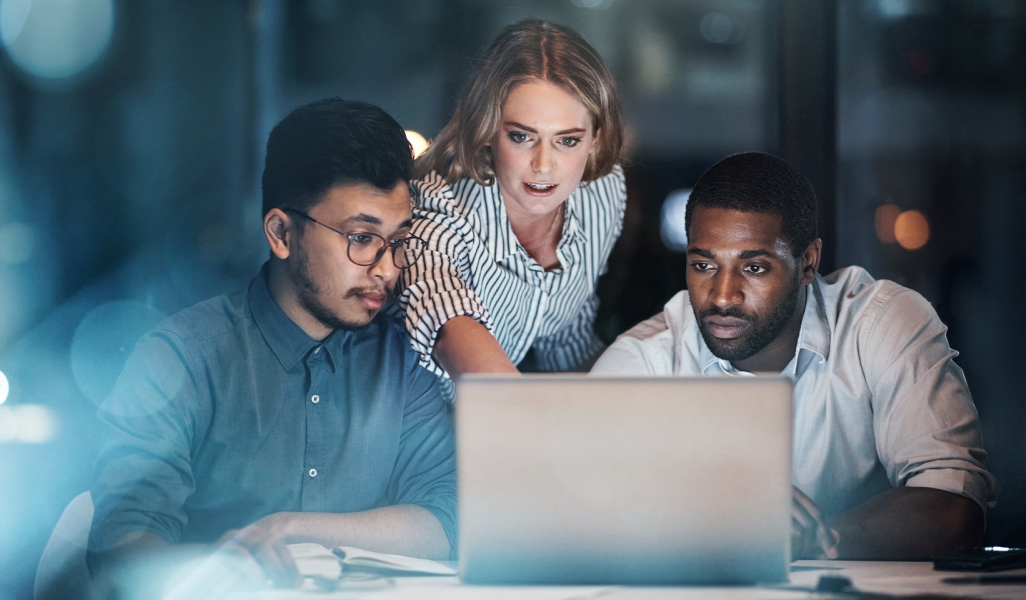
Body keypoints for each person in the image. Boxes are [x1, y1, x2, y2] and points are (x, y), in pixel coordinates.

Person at [87, 99, 456, 595]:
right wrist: (221, 568)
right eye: (362, 238)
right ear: (282, 233)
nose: (387, 268)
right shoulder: (182, 359)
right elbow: (121, 547)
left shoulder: (403, 359)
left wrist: (292, 530)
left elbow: (445, 518)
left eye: (398, 240)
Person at [592, 152, 997, 560]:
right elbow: (578, 520)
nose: (722, 296)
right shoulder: (641, 363)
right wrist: (708, 515)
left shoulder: (879, 325)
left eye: (753, 268)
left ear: (807, 263)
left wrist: (797, 541)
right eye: (703, 265)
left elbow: (955, 510)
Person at [399, 19, 627, 384]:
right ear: (488, 129)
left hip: (507, 418)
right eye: (522, 136)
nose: (543, 165)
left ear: (595, 140)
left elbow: (566, 341)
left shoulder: (601, 192)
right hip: (413, 427)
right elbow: (442, 314)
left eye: (567, 141)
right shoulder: (439, 207)